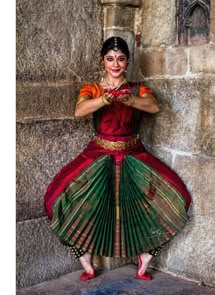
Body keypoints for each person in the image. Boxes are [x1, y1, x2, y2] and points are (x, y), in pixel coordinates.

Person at [44, 36, 191, 281]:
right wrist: (105, 99)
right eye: (110, 59)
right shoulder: (92, 89)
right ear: (103, 61)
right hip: (99, 154)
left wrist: (129, 100)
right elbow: (79, 111)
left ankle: (145, 254)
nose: (115, 64)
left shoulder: (137, 89)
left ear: (127, 61)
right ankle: (85, 258)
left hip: (134, 154)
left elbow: (153, 106)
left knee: (177, 198)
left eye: (121, 59)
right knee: (55, 200)